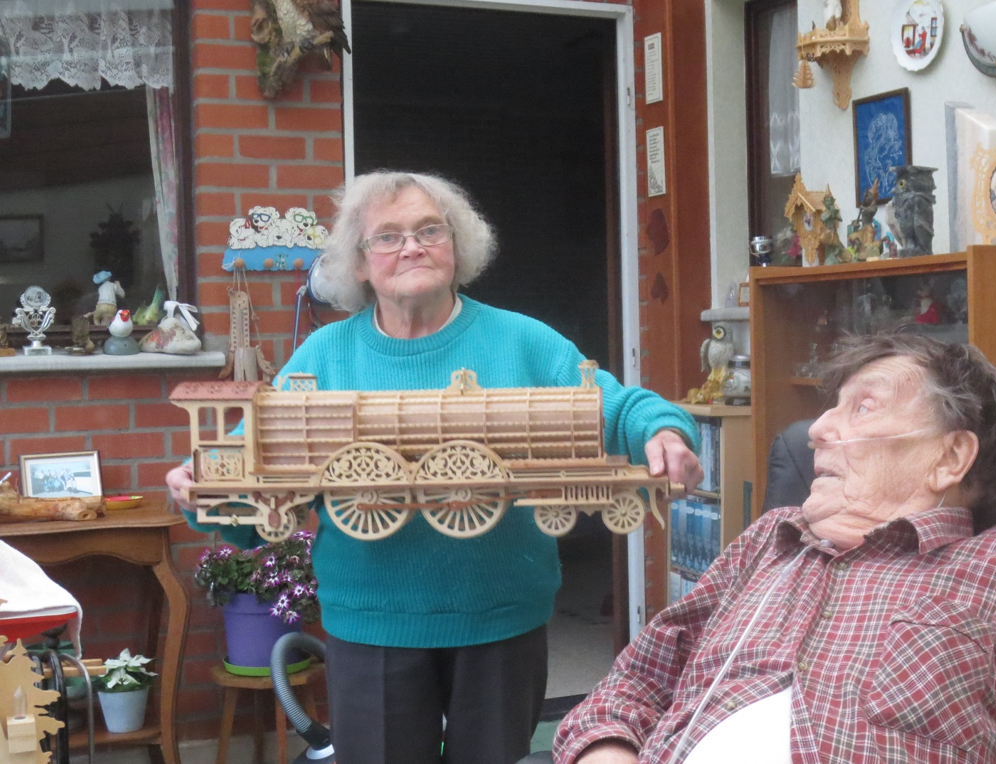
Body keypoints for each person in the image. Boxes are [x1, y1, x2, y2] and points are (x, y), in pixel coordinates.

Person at [167, 170, 703, 764]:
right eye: (388, 237)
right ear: (361, 264)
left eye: (429, 230)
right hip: (372, 627)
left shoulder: (523, 341)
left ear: (457, 246)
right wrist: (200, 488)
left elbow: (615, 403)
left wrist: (663, 430)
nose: (412, 246)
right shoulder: (322, 355)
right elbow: (251, 482)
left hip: (501, 621)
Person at [555, 334, 996, 764]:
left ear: (951, 456)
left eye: (863, 406)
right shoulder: (770, 543)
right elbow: (631, 685)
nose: (819, 430)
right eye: (831, 407)